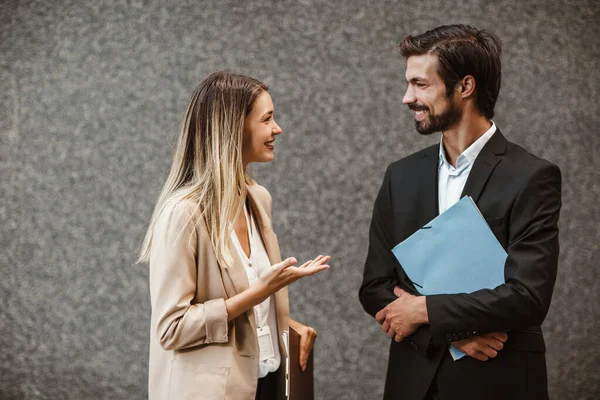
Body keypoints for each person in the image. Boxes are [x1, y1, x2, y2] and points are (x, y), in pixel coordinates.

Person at [359, 25, 562, 400]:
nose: (407, 98)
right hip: (413, 382)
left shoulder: (532, 176)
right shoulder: (400, 176)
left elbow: (528, 296)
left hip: (499, 382)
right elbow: (375, 287)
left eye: (420, 84)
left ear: (465, 87)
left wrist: (426, 311)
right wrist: (447, 331)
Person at [139, 71, 330, 400]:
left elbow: (247, 302)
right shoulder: (183, 214)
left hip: (267, 384)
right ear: (232, 129)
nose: (277, 129)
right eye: (267, 119)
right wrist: (258, 294)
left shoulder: (258, 199)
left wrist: (283, 324)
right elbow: (172, 329)